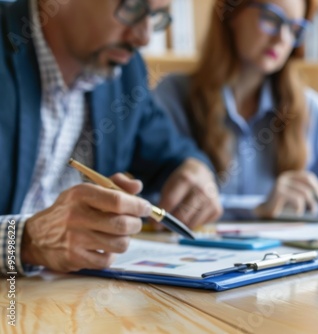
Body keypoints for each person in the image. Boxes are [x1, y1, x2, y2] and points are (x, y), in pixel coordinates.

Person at [0, 0, 223, 276]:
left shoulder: (125, 72)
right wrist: (25, 242)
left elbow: (174, 155)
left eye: (156, 16)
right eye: (131, 8)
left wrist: (195, 171)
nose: (143, 37)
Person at [153, 0, 318, 219]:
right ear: (232, 13)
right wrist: (258, 208)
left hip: (283, 251)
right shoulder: (175, 95)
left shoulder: (307, 106)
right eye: (271, 18)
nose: (282, 38)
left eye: (294, 29)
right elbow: (155, 203)